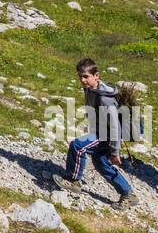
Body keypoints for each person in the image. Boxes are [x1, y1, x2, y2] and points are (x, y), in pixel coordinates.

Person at [52, 59, 138, 210]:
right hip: (100, 131)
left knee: (77, 146)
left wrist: (115, 152)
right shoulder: (91, 89)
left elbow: (115, 126)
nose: (82, 80)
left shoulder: (105, 98)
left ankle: (73, 181)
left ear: (96, 76)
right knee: (100, 163)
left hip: (108, 135)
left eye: (86, 76)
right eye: (80, 77)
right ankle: (128, 194)